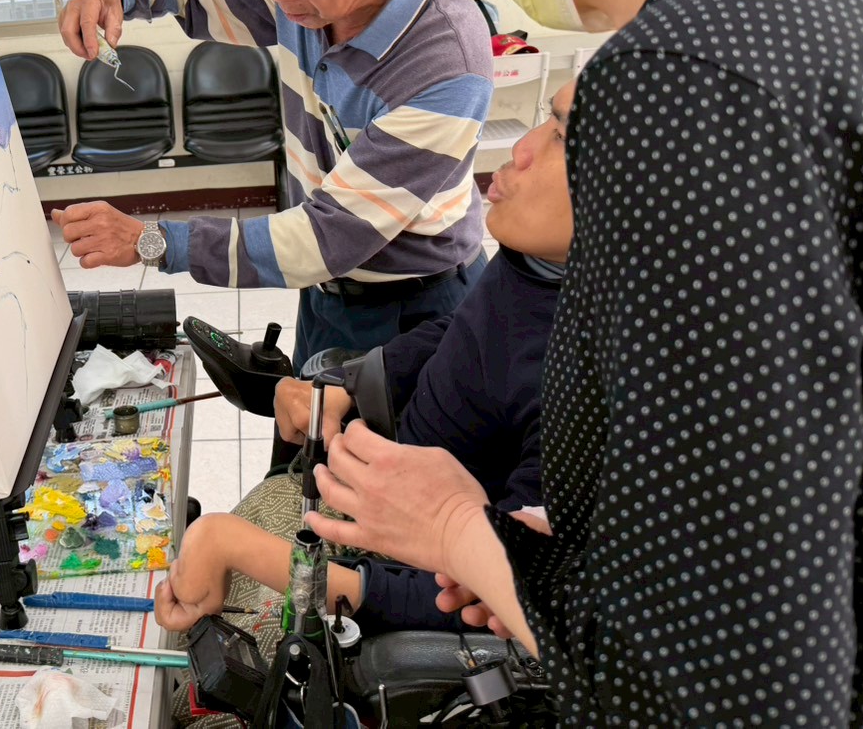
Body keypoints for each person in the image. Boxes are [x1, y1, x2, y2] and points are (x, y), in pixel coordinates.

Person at [301, 0, 863, 724]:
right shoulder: (823, 6)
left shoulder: (688, 72)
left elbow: (713, 688)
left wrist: (457, 529)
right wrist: (574, 560)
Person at [53, 0, 493, 375]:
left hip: (417, 308)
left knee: (385, 435)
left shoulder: (445, 61)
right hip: (327, 294)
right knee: (306, 429)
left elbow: (323, 238)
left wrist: (151, 241)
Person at [153, 83, 574, 638]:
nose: (521, 148)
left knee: (193, 663)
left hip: (388, 580)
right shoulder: (535, 266)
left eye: (563, 136)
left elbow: (492, 600)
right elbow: (462, 330)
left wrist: (240, 549)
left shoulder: (588, 386)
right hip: (370, 487)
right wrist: (348, 386)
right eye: (547, 118)